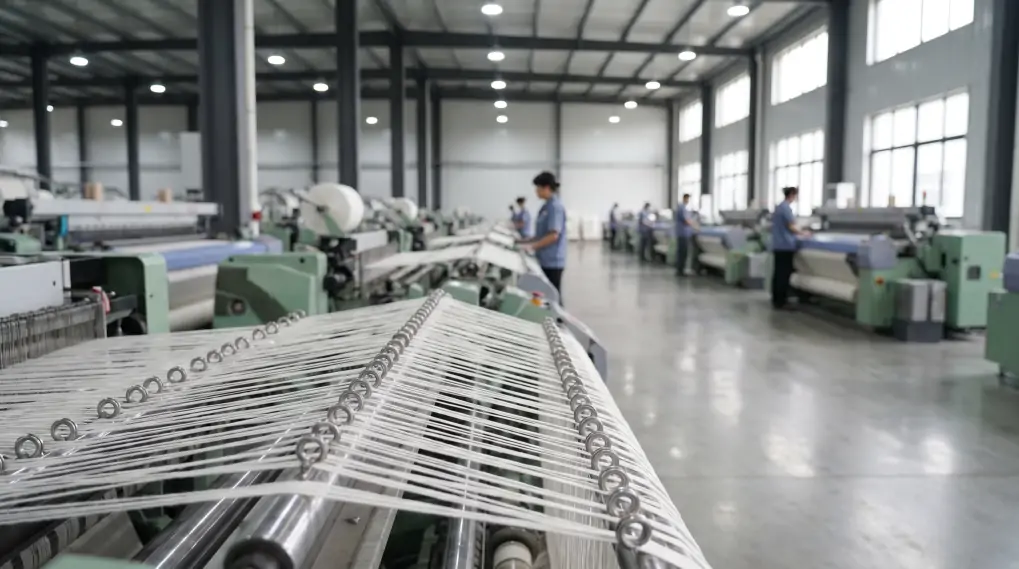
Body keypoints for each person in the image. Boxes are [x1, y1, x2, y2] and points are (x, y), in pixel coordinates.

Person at [522, 171, 567, 301]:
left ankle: (558, 315)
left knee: (553, 297)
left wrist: (532, 247)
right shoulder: (545, 207)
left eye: (538, 188)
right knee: (545, 295)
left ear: (546, 188)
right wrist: (524, 241)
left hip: (553, 261)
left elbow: (553, 235)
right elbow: (541, 234)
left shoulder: (555, 207)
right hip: (544, 258)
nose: (536, 191)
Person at [771, 187, 811, 309]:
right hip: (785, 246)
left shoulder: (779, 207)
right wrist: (803, 233)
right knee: (784, 274)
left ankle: (776, 299)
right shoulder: (786, 208)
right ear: (792, 194)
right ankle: (782, 301)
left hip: (778, 245)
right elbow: (791, 226)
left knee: (778, 273)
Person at [674, 193, 700, 276]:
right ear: (685, 198)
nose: (688, 200)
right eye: (688, 199)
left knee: (682, 252)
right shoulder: (682, 208)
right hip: (683, 233)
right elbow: (686, 220)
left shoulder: (683, 208)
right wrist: (695, 226)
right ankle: (680, 271)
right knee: (683, 252)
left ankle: (680, 270)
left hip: (684, 233)